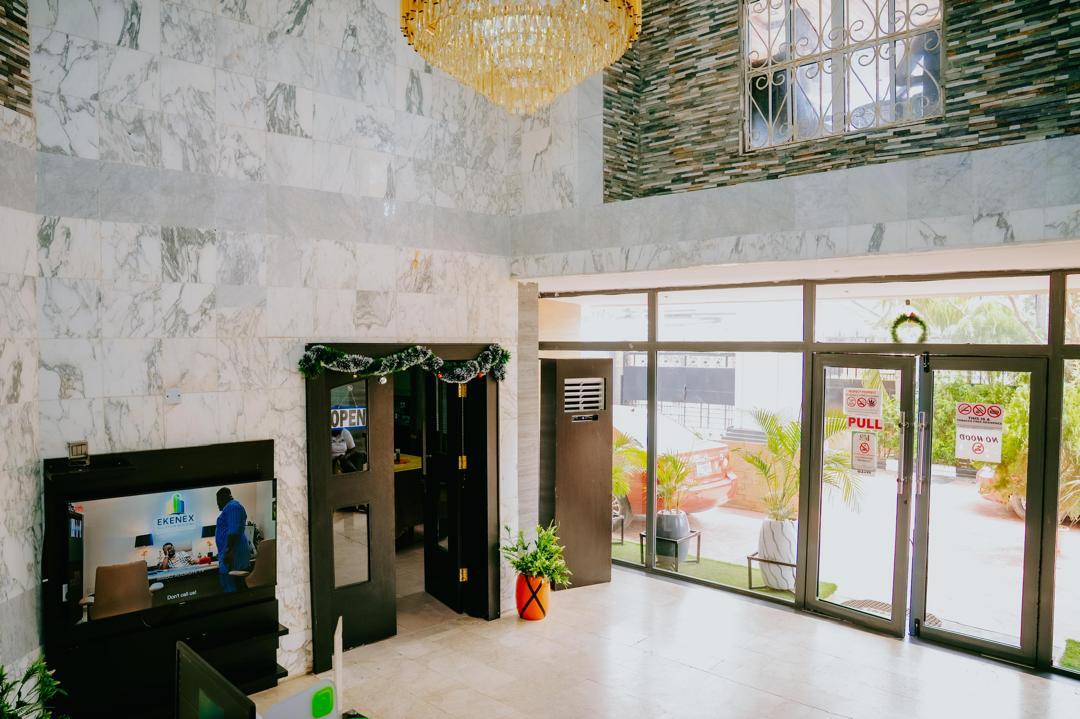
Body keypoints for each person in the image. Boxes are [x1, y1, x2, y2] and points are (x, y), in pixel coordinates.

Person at [215, 487, 251, 593]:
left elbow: (233, 532)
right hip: (232, 554)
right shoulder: (231, 507)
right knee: (231, 587)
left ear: (223, 498)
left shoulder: (232, 507)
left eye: (218, 501)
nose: (217, 504)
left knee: (235, 590)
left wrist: (228, 552)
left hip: (233, 556)